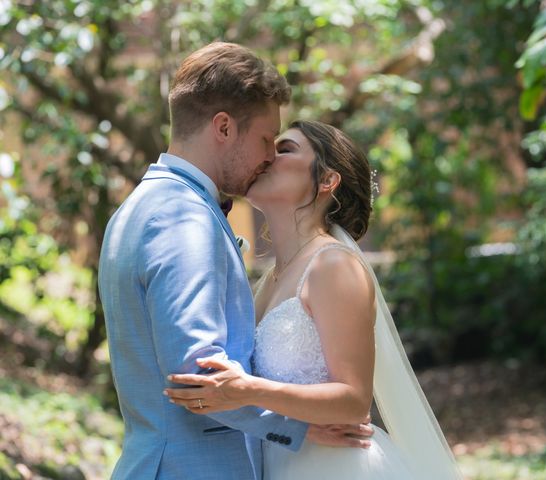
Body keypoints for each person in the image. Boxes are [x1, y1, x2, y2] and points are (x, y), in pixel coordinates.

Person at [98, 43, 371, 480]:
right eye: (267, 139)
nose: (268, 157)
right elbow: (198, 377)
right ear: (223, 127)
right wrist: (294, 426)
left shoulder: (141, 205)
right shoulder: (183, 218)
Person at [165, 120, 463, 479]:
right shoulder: (269, 280)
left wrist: (248, 390)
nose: (267, 155)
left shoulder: (334, 265)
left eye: (285, 148)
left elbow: (353, 401)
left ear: (326, 181)